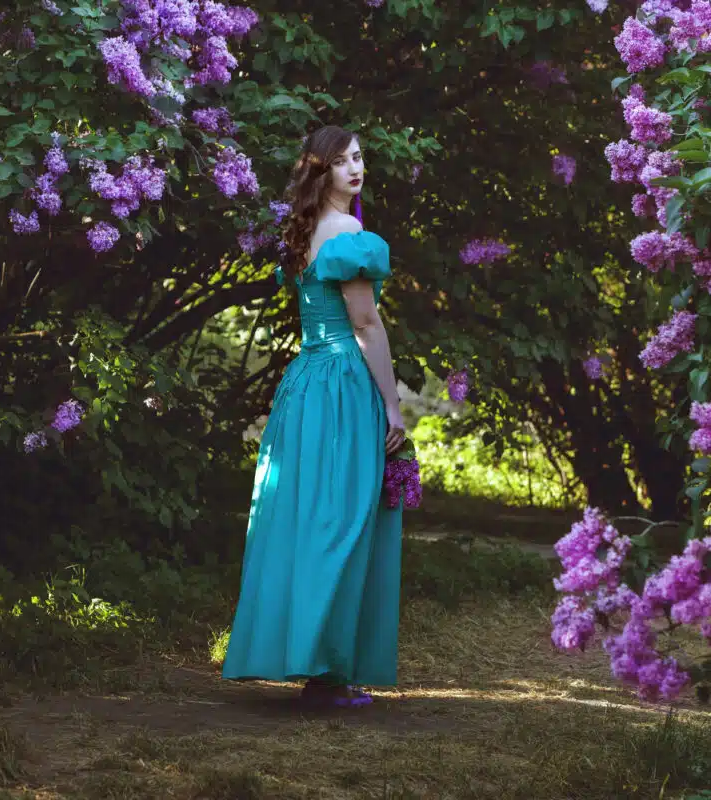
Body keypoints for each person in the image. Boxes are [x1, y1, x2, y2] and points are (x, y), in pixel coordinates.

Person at [221, 125, 406, 708]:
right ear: (320, 171)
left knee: (306, 515)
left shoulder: (301, 233)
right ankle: (326, 674)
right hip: (342, 383)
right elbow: (366, 323)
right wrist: (393, 405)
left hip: (303, 382)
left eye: (360, 157)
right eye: (344, 161)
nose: (357, 168)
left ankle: (309, 658)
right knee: (342, 520)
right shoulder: (349, 233)